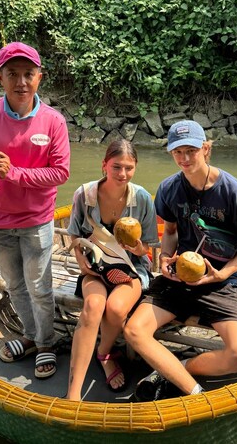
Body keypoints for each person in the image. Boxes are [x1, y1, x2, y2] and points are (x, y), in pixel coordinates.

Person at [124, 120, 237, 401]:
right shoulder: (169, 188)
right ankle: (194, 390)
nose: (185, 159)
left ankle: (177, 369)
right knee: (134, 330)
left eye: (192, 150)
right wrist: (165, 258)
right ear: (171, 153)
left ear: (206, 149)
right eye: (178, 152)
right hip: (179, 277)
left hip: (219, 283)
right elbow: (172, 232)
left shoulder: (233, 192)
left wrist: (224, 273)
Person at [0, 41, 70, 379]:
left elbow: (60, 172)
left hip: (37, 221)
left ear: (40, 77)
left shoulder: (53, 121)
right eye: (13, 75)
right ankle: (30, 335)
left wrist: (15, 174)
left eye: (28, 74)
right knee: (15, 285)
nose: (21, 82)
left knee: (39, 286)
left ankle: (47, 342)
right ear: (0, 78)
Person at [66, 139, 158, 400]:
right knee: (93, 306)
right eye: (116, 167)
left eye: (129, 168)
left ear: (135, 168)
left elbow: (148, 250)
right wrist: (80, 261)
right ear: (104, 165)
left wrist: (137, 246)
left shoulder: (141, 198)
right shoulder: (85, 195)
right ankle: (73, 393)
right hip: (96, 267)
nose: (122, 174)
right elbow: (74, 236)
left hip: (130, 268)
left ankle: (104, 353)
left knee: (116, 307)